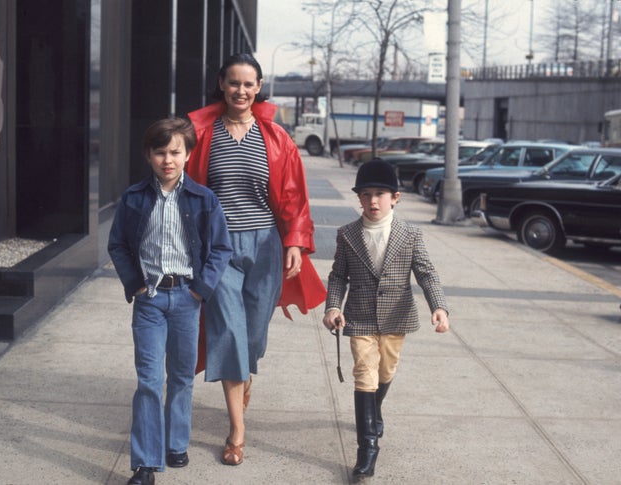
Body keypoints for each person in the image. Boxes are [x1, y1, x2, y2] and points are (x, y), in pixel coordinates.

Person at [186, 53, 326, 466]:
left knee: (253, 338)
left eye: (248, 84)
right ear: (221, 84)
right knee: (227, 331)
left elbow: (294, 197)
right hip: (219, 248)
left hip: (266, 246)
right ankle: (236, 431)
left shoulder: (277, 138)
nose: (241, 91)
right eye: (234, 83)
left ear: (259, 87)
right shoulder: (202, 133)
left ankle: (243, 375)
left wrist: (296, 243)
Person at [108, 117, 233, 485]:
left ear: (188, 155)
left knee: (180, 376)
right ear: (148, 155)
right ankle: (145, 464)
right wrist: (135, 284)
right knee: (149, 379)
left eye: (175, 152)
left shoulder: (203, 199)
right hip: (149, 300)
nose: (168, 159)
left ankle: (176, 442)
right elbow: (116, 244)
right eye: (160, 152)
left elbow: (221, 248)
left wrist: (200, 289)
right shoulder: (133, 198)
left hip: (186, 298)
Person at [322, 159, 450, 478]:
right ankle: (367, 449)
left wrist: (440, 307)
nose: (373, 201)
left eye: (380, 193)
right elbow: (338, 276)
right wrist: (332, 307)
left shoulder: (410, 235)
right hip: (360, 318)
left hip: (397, 317)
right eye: (366, 194)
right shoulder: (348, 234)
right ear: (359, 199)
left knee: (385, 370)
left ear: (395, 197)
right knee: (364, 373)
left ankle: (373, 410)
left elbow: (427, 273)